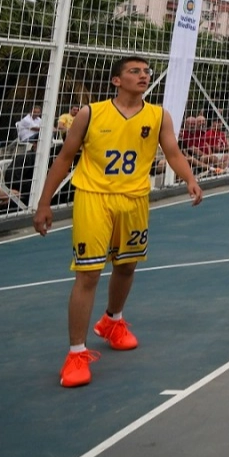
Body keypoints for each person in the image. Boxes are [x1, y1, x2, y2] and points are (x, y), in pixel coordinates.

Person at [32, 55, 204, 388]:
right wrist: (44, 203)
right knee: (89, 273)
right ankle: (76, 353)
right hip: (94, 197)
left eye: (146, 72)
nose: (143, 75)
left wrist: (189, 179)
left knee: (126, 266)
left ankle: (112, 321)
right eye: (134, 71)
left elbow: (172, 152)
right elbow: (66, 157)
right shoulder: (91, 113)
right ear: (116, 80)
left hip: (135, 198)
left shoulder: (157, 116)